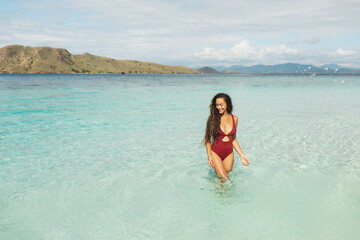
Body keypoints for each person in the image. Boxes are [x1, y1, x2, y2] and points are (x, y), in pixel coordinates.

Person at [203, 93, 249, 182]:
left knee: (224, 178)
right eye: (217, 105)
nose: (219, 107)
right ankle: (231, 194)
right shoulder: (212, 119)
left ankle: (218, 193)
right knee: (225, 178)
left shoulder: (234, 119)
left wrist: (242, 155)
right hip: (215, 153)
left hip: (229, 153)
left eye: (221, 105)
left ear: (227, 104)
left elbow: (233, 139)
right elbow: (207, 140)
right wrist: (209, 156)